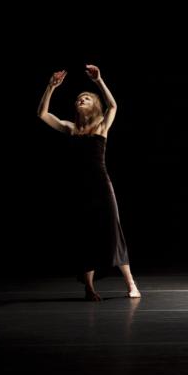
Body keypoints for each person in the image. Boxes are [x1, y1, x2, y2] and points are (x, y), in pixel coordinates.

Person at [37, 64, 140, 301]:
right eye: (79, 98)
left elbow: (113, 105)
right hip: (80, 189)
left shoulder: (102, 126)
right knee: (86, 237)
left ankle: (131, 283)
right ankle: (89, 288)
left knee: (113, 232)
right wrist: (50, 87)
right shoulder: (70, 128)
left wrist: (99, 81)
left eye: (86, 97)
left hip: (102, 186)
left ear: (94, 105)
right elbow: (42, 114)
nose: (81, 99)